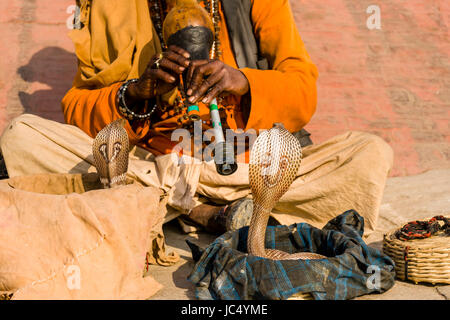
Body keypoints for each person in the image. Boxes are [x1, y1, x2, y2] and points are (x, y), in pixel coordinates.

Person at [0, 0, 393, 239]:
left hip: (243, 162)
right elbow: (77, 108)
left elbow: (304, 91)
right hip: (151, 162)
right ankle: (206, 211)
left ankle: (168, 209)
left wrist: (245, 82)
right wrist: (135, 93)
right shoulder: (110, 8)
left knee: (368, 154)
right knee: (23, 138)